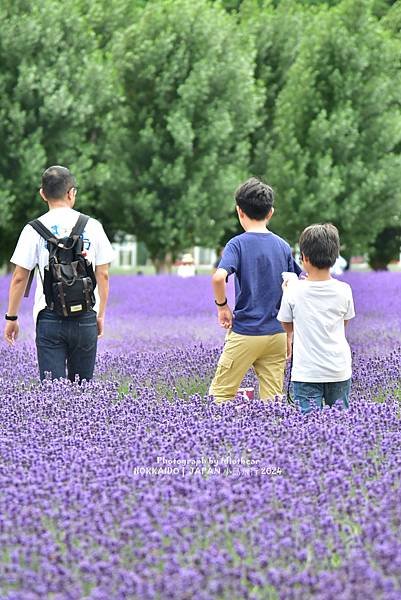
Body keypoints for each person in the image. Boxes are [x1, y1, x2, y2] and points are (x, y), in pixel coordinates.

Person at [4, 165, 115, 382]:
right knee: (82, 391)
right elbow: (103, 275)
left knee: (52, 393)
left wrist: (12, 317)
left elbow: (19, 277)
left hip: (49, 317)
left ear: (42, 194)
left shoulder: (33, 229)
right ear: (71, 192)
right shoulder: (93, 226)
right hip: (85, 317)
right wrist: (100, 314)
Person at [209, 177, 296, 403]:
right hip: (277, 333)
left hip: (246, 332)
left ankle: (218, 438)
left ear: (239, 211)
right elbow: (293, 286)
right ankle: (275, 437)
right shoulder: (283, 246)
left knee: (221, 395)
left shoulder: (237, 244)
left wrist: (222, 307)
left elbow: (219, 278)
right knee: (273, 402)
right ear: (271, 213)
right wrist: (289, 332)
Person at [277, 224, 355, 414]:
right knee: (340, 424)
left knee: (307, 431)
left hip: (306, 372)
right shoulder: (344, 290)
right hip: (338, 368)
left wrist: (287, 291)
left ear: (304, 257)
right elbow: (343, 324)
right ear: (335, 257)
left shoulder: (293, 290)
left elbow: (286, 324)